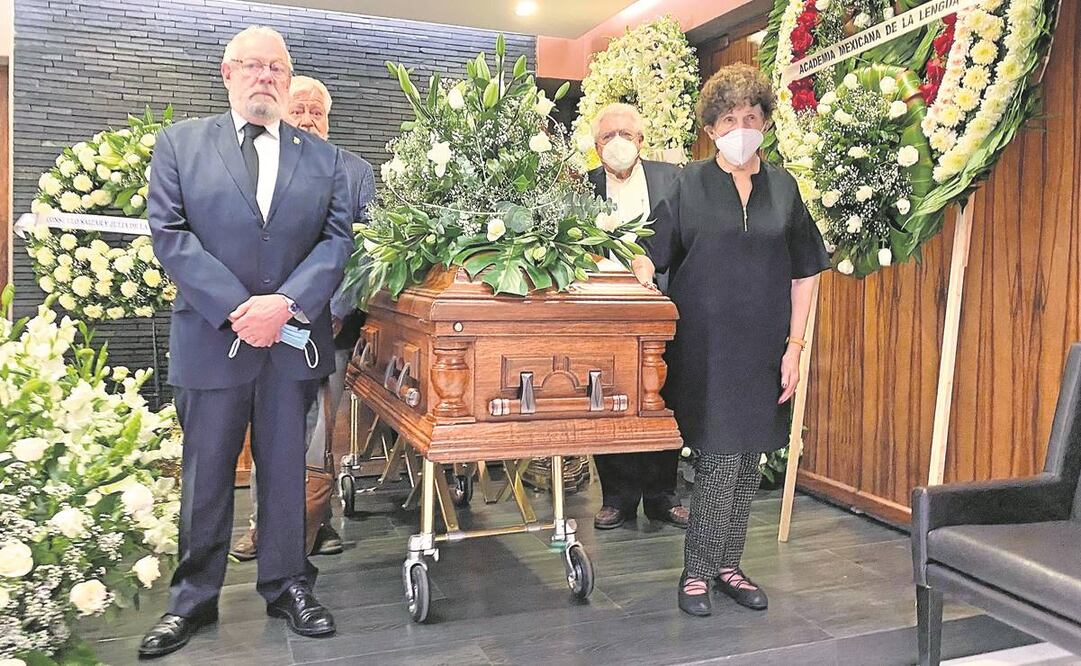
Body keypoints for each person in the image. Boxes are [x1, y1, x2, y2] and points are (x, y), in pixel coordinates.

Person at [139, 26, 354, 657]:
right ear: (227, 73)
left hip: (291, 343)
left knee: (286, 470)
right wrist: (239, 309)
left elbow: (336, 241)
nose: (265, 77)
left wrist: (284, 305)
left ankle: (288, 582)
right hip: (213, 339)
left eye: (277, 69)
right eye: (252, 66)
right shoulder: (181, 145)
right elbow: (170, 233)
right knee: (206, 475)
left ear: (288, 82)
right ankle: (192, 600)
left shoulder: (325, 160)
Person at [632, 63, 829, 617]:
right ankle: (696, 572)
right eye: (727, 118)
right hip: (705, 350)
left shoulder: (784, 188)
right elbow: (649, 249)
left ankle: (728, 565)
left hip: (766, 348)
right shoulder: (687, 184)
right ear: (711, 128)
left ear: (765, 120)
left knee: (749, 459)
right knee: (719, 458)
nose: (740, 126)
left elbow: (806, 270)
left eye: (750, 116)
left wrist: (795, 345)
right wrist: (639, 268)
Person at [229, 75, 375, 562]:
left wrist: (333, 312)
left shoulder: (355, 172)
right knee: (269, 429)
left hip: (330, 328)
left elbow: (367, 252)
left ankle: (319, 523)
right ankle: (260, 527)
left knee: (321, 437)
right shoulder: (257, 165)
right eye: (301, 109)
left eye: (318, 111)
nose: (309, 118)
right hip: (266, 331)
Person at [586, 103, 687, 531]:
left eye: (625, 134)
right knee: (608, 396)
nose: (617, 143)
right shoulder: (581, 187)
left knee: (662, 395)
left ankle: (664, 495)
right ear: (596, 147)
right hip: (604, 312)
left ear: (641, 141)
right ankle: (618, 497)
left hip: (663, 305)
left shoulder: (674, 179)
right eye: (607, 137)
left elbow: (685, 239)